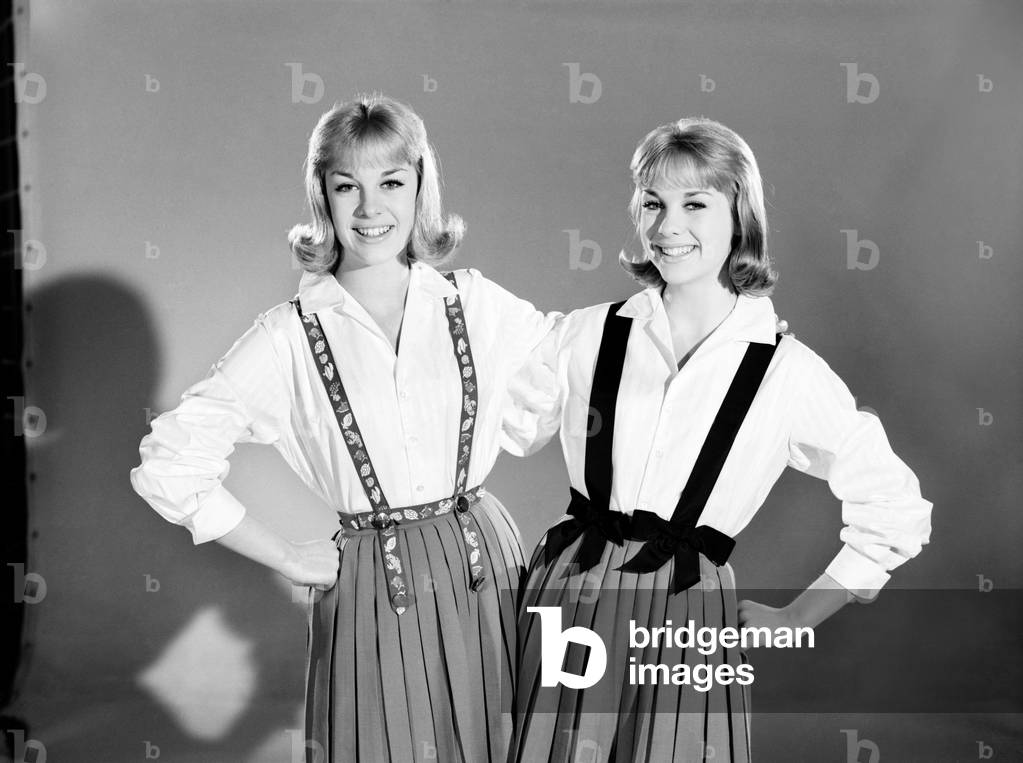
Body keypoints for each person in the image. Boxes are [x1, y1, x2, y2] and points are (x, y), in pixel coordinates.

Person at [130, 94, 558, 763]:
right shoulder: (287, 337)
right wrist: (285, 555)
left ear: (421, 188)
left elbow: (580, 360)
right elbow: (170, 460)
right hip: (375, 583)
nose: (369, 208)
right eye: (346, 186)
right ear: (321, 197)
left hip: (486, 562)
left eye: (390, 182)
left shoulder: (471, 301)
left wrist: (729, 331)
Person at [503, 117, 933, 762]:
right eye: (653, 203)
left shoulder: (786, 371)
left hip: (686, 614)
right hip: (571, 591)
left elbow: (894, 508)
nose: (668, 226)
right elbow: (504, 426)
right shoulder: (584, 335)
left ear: (740, 217)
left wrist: (796, 621)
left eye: (695, 203)